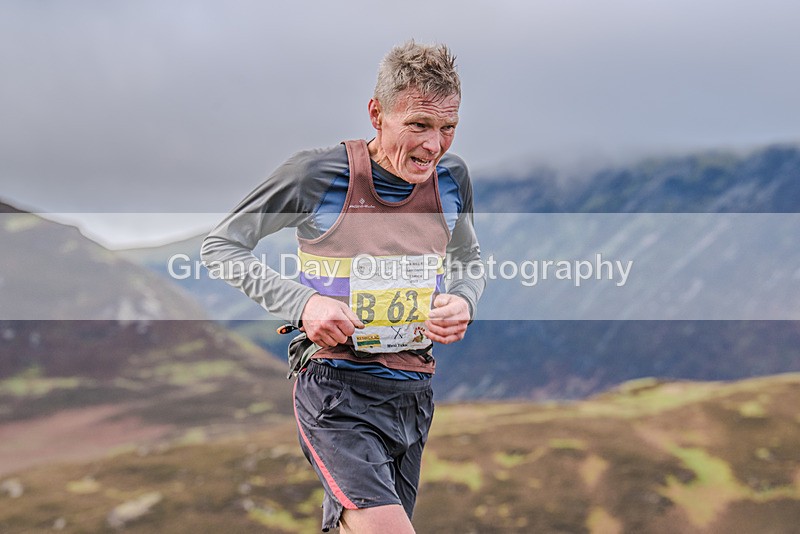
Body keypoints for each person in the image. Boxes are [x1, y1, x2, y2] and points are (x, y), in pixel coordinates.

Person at [201, 40, 484, 533]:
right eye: (418, 124)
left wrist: (462, 299)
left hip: (413, 390)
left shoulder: (452, 179)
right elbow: (222, 247)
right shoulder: (317, 176)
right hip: (336, 387)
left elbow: (467, 258)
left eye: (447, 128)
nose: (433, 146)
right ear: (377, 114)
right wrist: (305, 302)